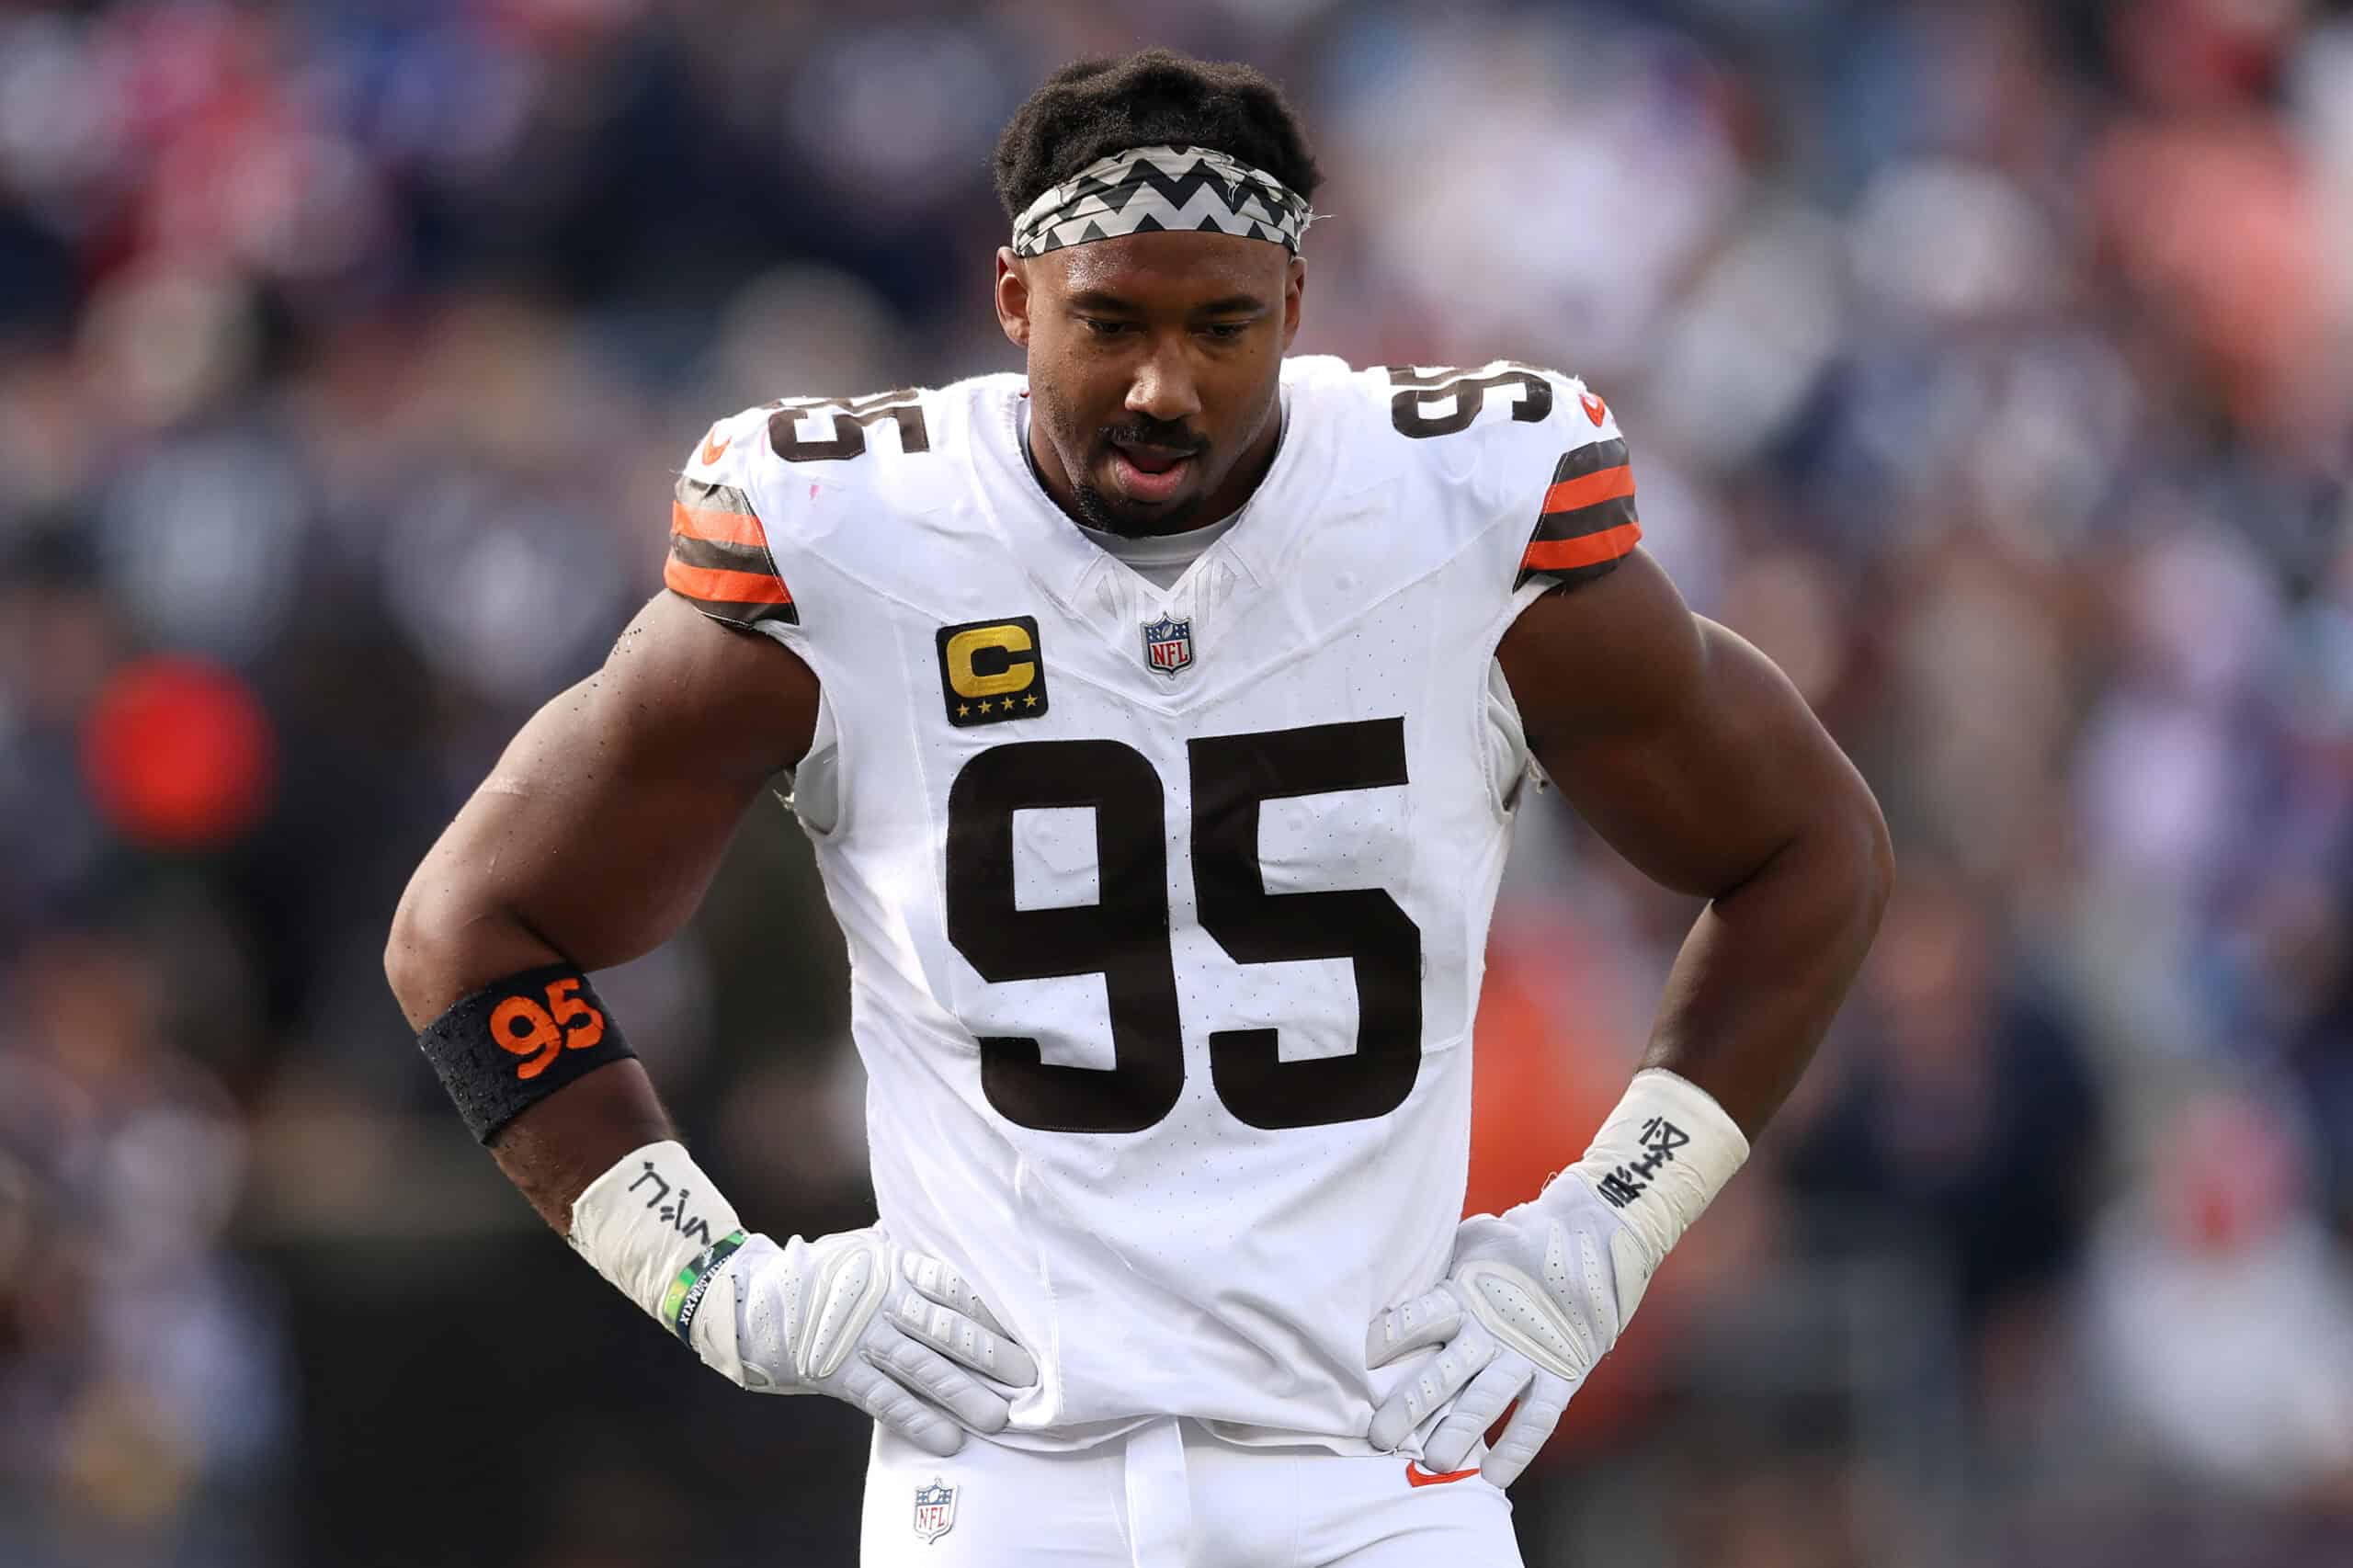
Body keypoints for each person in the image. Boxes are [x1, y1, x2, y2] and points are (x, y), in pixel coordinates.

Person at [383, 49, 1892, 1567]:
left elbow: (1813, 851)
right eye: (1110, 320)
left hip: (1373, 1457)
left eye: (1223, 327)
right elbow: (470, 931)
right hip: (1000, 1470)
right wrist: (719, 1282)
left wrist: (1603, 1234)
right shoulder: (849, 542)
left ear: (1296, 313)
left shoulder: (1461, 513)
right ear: (1013, 300)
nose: (1165, 387)